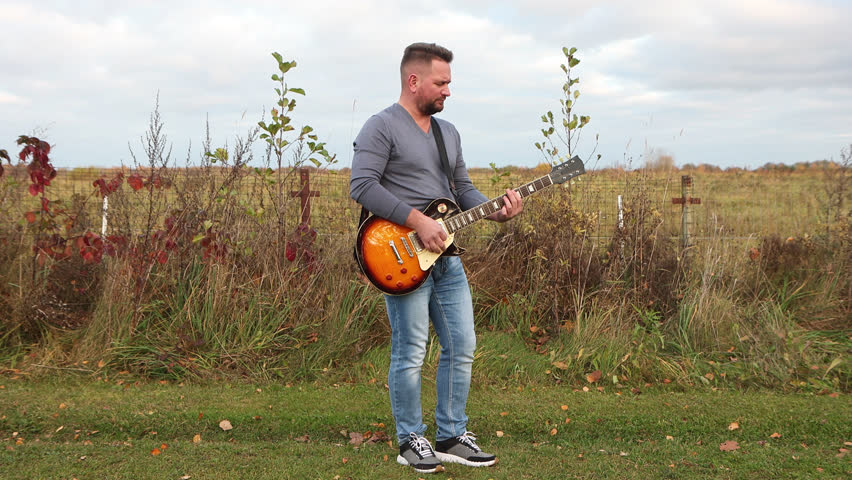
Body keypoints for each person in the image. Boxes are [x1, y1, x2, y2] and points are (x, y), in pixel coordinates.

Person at [349, 42, 523, 474]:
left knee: (462, 345)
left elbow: (462, 189)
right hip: (400, 255)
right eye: (441, 82)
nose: (448, 90)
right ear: (414, 81)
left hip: (446, 258)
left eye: (449, 82)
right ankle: (411, 439)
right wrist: (416, 221)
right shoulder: (380, 126)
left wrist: (496, 208)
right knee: (410, 351)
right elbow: (362, 185)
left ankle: (450, 435)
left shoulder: (449, 134)